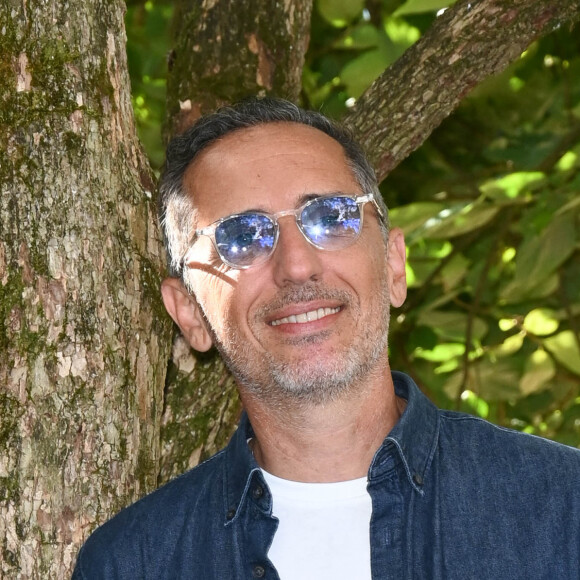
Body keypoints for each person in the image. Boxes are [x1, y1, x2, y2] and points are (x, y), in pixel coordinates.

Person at [73, 97, 580, 579]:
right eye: (242, 236)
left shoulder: (563, 506)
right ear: (190, 314)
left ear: (394, 266)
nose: (296, 266)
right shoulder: (133, 565)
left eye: (331, 217)